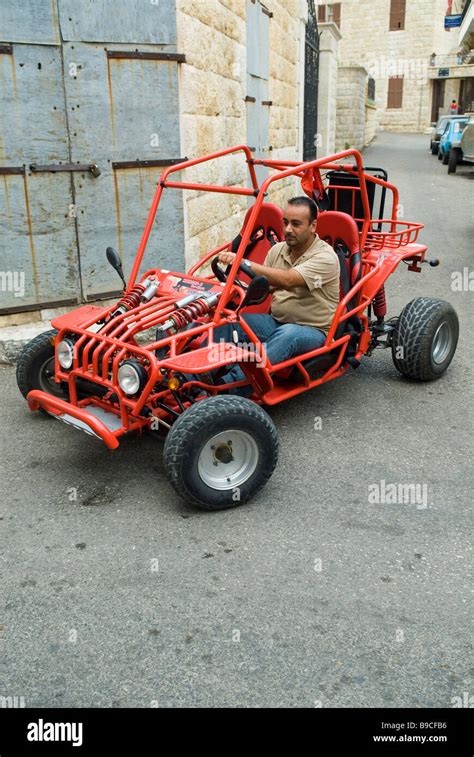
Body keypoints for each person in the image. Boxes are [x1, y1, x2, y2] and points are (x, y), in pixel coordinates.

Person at [193, 196, 340, 396]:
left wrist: (243, 262)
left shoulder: (326, 258)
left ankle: (227, 389)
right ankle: (193, 377)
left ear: (313, 226)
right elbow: (267, 287)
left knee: (287, 335)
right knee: (230, 323)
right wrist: (233, 293)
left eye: (296, 224)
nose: (288, 229)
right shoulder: (278, 250)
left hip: (312, 330)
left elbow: (288, 279)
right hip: (275, 322)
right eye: (285, 222)